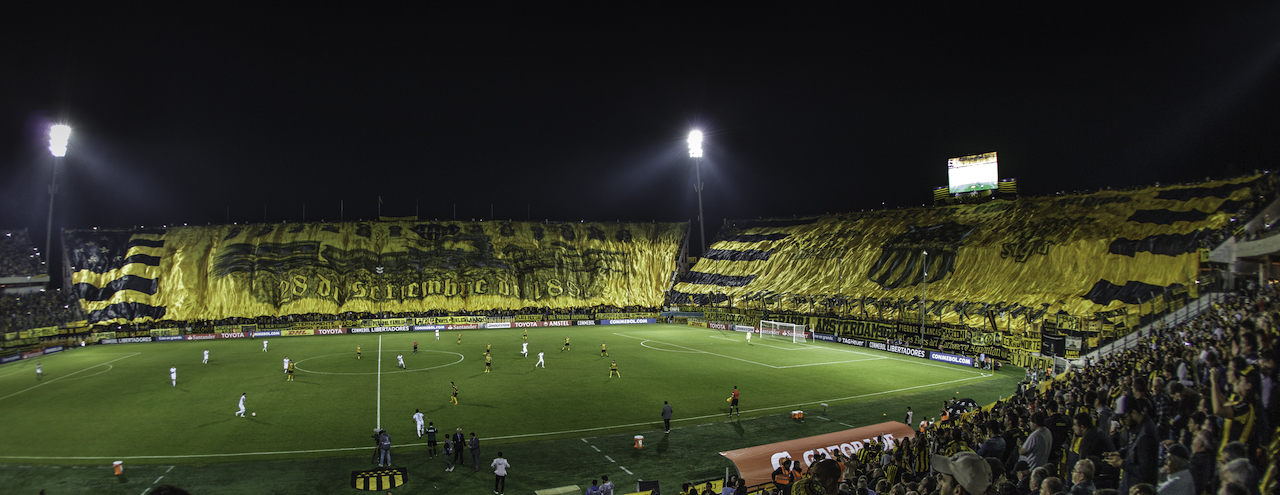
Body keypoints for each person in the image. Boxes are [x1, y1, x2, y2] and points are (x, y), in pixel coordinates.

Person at [1103, 396, 1158, 495]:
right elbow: (1135, 449)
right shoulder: (1138, 427)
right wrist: (1120, 453)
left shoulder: (1146, 435)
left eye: (1124, 418)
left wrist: (1121, 463)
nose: (1122, 423)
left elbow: (1145, 472)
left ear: (1133, 412)